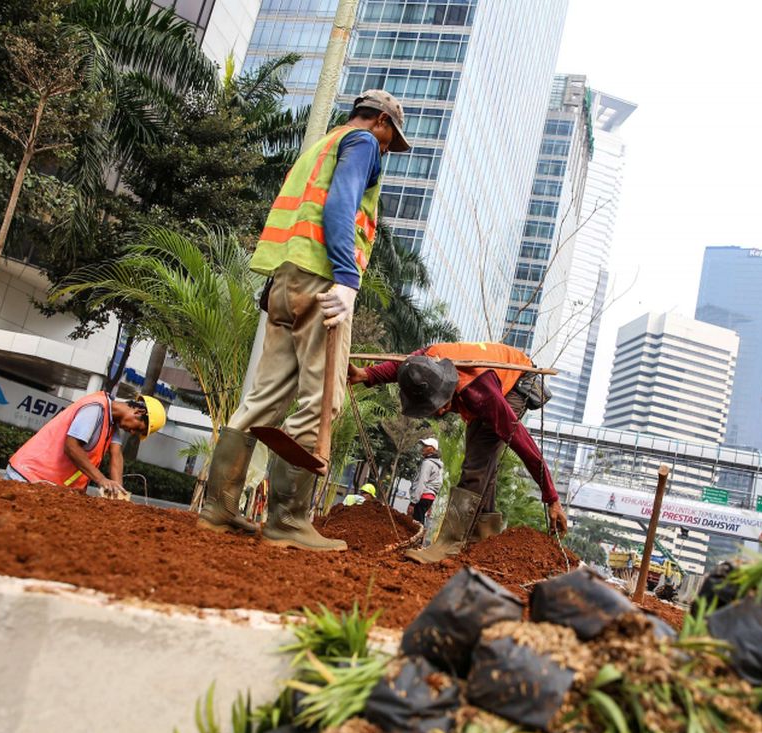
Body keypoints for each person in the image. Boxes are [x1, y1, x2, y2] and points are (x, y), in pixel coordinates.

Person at [196, 88, 410, 552]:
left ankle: (218, 508)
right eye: (392, 141)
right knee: (323, 399)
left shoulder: (321, 145)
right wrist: (347, 279)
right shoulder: (364, 144)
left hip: (284, 280)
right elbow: (339, 205)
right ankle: (288, 521)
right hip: (321, 281)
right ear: (381, 123)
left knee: (264, 396)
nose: (388, 151)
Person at [349, 341, 568, 563]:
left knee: (477, 460)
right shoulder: (429, 361)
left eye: (440, 405)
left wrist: (551, 497)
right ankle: (483, 538)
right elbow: (405, 367)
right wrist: (366, 374)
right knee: (483, 461)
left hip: (516, 383)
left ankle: (447, 544)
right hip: (490, 376)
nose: (441, 412)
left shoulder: (480, 394)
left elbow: (523, 443)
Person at [7, 391, 165, 494]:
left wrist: (118, 492)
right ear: (138, 412)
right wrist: (102, 480)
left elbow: (116, 455)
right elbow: (71, 446)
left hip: (45, 484)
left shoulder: (112, 423)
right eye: (138, 429)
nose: (132, 432)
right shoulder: (96, 408)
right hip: (28, 475)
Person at [408, 437, 443, 524]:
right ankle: (420, 536)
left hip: (422, 497)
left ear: (432, 449)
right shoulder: (437, 465)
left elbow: (421, 483)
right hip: (429, 499)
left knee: (416, 524)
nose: (423, 448)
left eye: (426, 446)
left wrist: (413, 503)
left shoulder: (427, 463)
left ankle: (419, 537)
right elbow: (438, 484)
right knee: (419, 523)